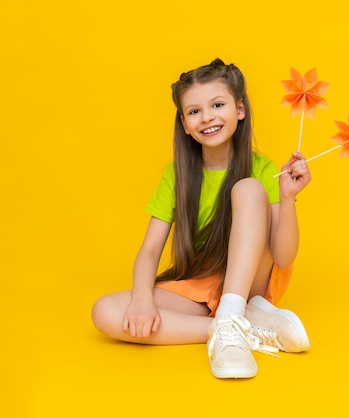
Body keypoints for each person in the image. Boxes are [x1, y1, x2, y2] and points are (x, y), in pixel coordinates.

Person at [91, 58, 312, 379]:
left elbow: (283, 256)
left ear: (239, 109)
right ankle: (236, 326)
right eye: (194, 111)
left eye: (217, 105)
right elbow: (150, 251)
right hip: (203, 285)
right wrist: (141, 302)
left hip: (251, 284)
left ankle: (235, 311)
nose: (206, 117)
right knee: (106, 312)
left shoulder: (264, 170)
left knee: (248, 189)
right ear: (184, 123)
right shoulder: (176, 175)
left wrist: (288, 198)